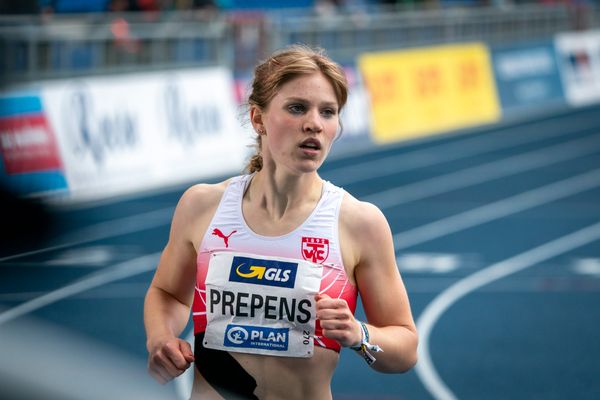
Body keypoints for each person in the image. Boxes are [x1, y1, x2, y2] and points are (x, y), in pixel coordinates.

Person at [143, 44, 418, 399]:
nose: (314, 124)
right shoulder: (203, 206)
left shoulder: (358, 222)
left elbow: (406, 348)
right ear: (258, 118)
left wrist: (359, 334)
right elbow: (167, 294)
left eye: (328, 112)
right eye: (297, 108)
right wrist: (161, 337)